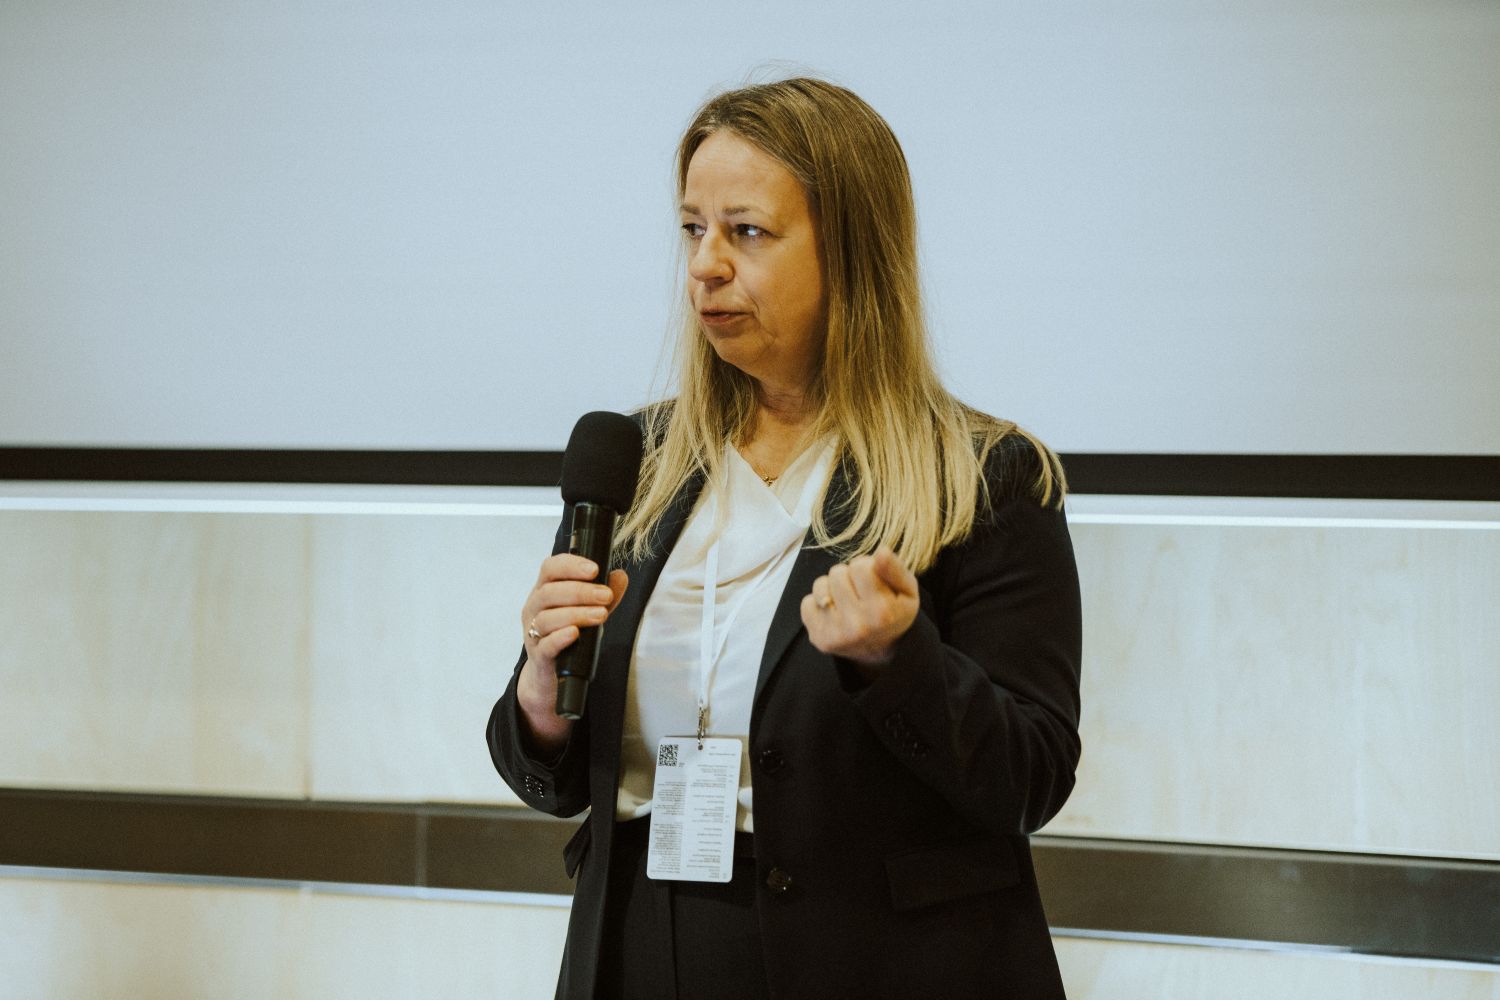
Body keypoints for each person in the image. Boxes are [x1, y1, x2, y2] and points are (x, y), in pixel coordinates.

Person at [487, 77, 1082, 1000]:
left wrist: (897, 662)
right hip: (638, 943)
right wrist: (538, 695)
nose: (706, 265)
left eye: (747, 231)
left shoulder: (982, 476)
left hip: (872, 963)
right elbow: (558, 778)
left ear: (851, 250)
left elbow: (1031, 779)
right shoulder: (639, 461)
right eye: (693, 229)